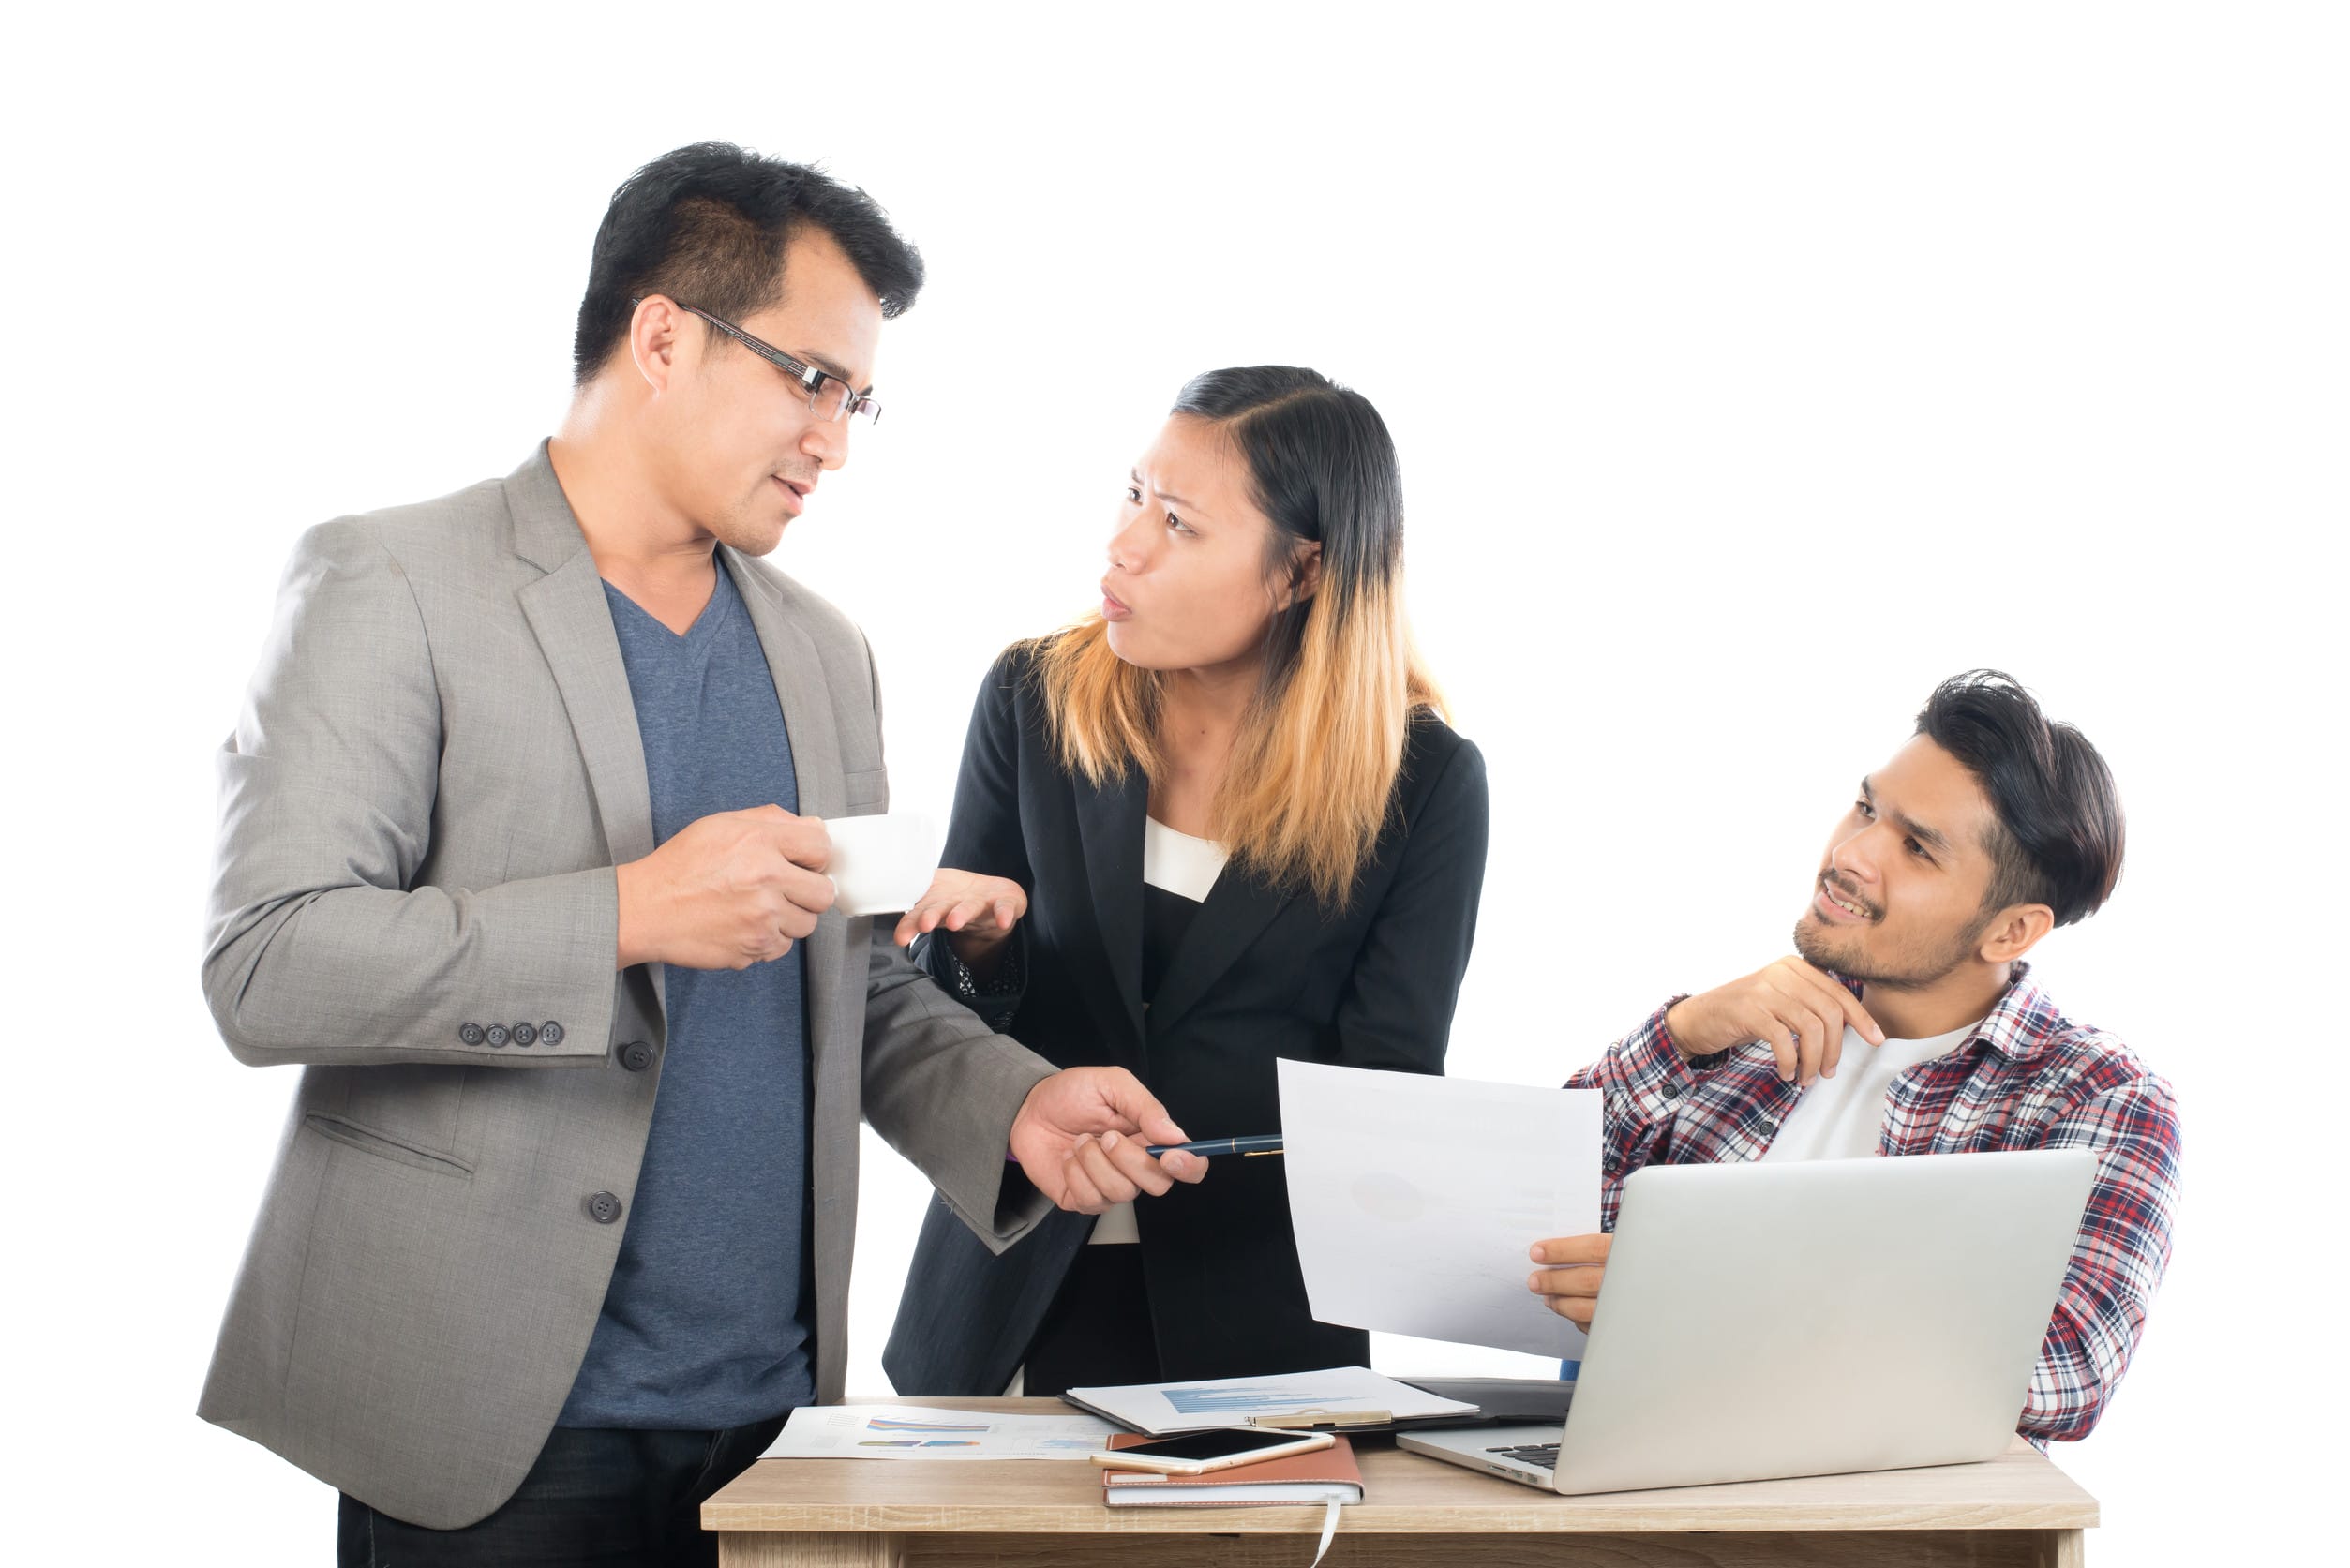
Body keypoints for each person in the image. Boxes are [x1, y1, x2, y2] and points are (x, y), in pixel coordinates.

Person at [198, 142, 1207, 1568]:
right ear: (662, 334)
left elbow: (848, 988)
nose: (834, 438)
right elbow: (269, 964)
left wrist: (1013, 1107)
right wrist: (627, 912)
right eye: (810, 378)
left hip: (774, 1429)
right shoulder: (391, 582)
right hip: (489, 1426)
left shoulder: (822, 651)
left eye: (857, 399)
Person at [881, 366, 1489, 1397]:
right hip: (1011, 1298)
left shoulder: (1422, 780)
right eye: (1131, 496)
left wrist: (1193, 1146)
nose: (1123, 544)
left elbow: (1383, 1094)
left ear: (1300, 572)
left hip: (1255, 1327)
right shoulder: (1032, 700)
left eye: (1178, 522)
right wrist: (977, 949)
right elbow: (941, 1031)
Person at [1526, 671, 2179, 1443]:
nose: (1851, 852)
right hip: (1622, 1496)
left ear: (2008, 931)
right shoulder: (1739, 1032)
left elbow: (2067, 1370)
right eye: (1867, 807)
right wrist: (1681, 1034)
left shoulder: (2094, 1096)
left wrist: (1721, 1296)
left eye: (1915, 847)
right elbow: (1522, 1217)